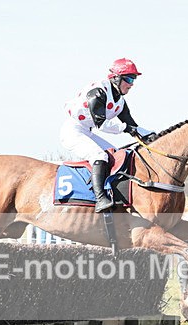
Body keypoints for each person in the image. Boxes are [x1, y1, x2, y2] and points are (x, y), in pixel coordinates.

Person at [60, 58, 154, 212]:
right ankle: (100, 198)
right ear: (116, 78)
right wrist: (126, 128)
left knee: (115, 154)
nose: (132, 84)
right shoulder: (98, 92)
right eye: (129, 79)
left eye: (134, 79)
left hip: (87, 130)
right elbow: (102, 124)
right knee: (100, 156)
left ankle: (113, 193)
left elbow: (133, 126)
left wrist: (152, 135)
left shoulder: (120, 102)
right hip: (73, 130)